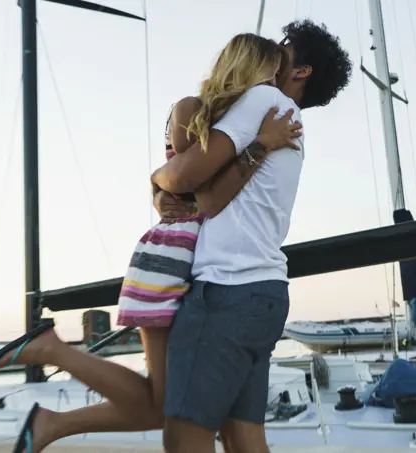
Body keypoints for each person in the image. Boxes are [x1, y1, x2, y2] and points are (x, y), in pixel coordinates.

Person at [0, 33, 302, 453]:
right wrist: (256, 146)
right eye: (270, 72)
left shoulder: (231, 118)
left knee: (161, 404)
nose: (275, 82)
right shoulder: (193, 110)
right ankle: (53, 362)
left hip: (189, 261)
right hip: (170, 258)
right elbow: (193, 187)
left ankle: (51, 406)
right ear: (248, 67)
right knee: (166, 407)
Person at [151, 19, 352, 453]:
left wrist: (156, 178)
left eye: (283, 48)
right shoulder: (290, 119)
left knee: (184, 437)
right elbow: (207, 190)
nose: (272, 51)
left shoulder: (265, 100)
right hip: (263, 293)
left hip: (226, 290)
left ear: (299, 72)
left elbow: (187, 179)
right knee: (244, 437)